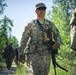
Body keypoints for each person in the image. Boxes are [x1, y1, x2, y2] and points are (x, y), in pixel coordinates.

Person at [19, 3, 62, 75]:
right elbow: (24, 38)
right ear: (35, 11)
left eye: (43, 9)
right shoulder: (31, 24)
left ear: (45, 10)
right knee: (38, 73)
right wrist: (20, 51)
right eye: (39, 9)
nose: (41, 10)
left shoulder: (50, 24)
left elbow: (57, 35)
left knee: (45, 73)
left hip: (47, 53)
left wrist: (58, 42)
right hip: (35, 53)